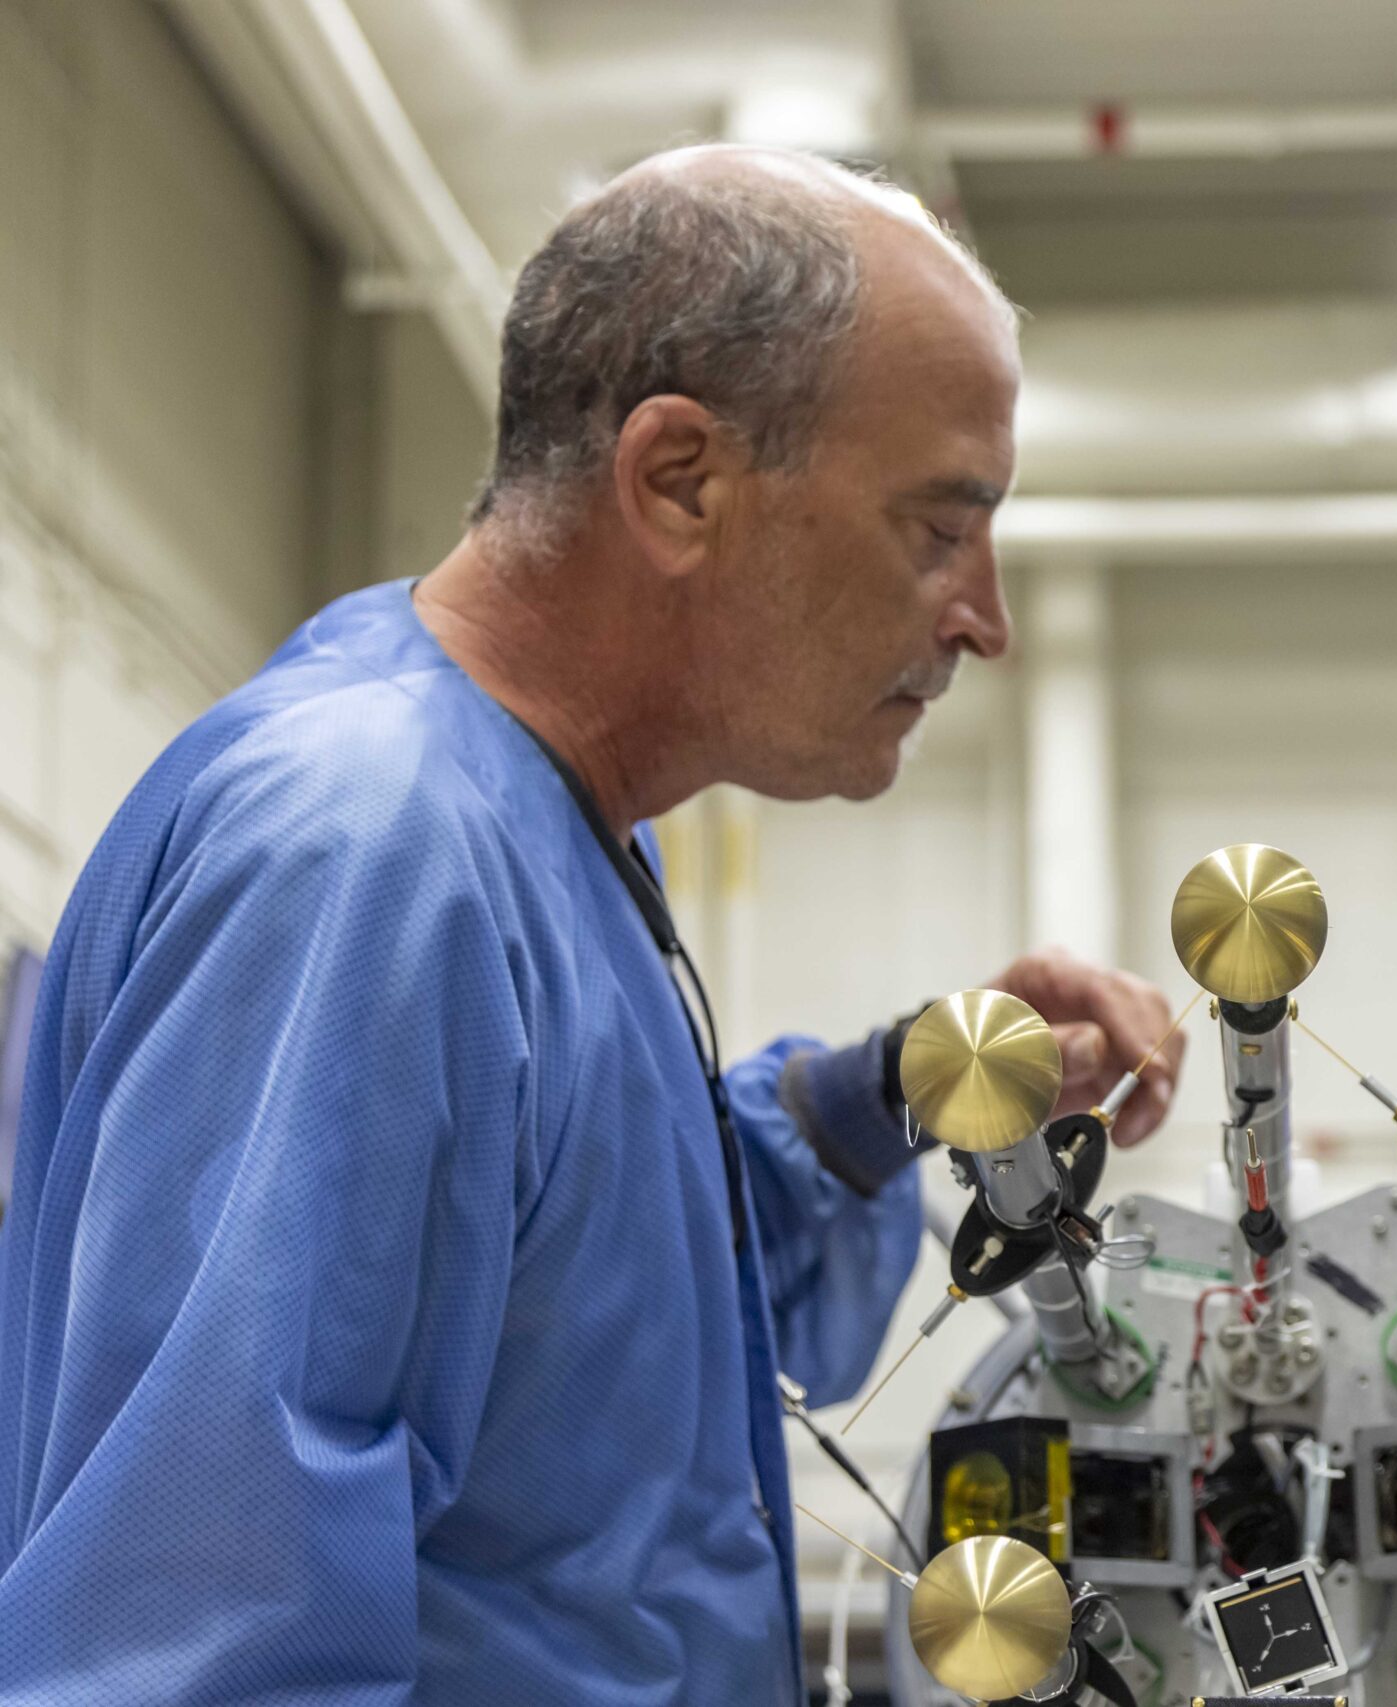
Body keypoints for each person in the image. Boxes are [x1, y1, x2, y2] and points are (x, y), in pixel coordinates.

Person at [0, 147, 1187, 1705]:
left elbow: (593, 1320)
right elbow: (198, 1638)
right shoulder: (369, 852)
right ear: (682, 480)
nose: (984, 616)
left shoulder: (527, 829)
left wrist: (881, 1091)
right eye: (935, 528)